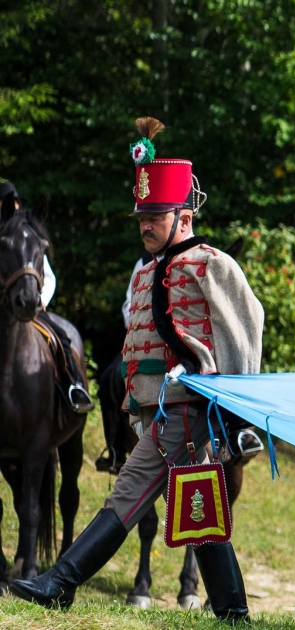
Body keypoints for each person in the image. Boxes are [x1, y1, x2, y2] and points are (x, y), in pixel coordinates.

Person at [10, 117, 264, 625]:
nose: (144, 224)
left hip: (195, 409)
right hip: (160, 411)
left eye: (155, 215)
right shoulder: (147, 270)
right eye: (141, 215)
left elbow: (247, 329)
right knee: (203, 515)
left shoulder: (211, 263)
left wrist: (239, 413)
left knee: (131, 492)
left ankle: (61, 581)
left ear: (184, 216)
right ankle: (233, 611)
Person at [0, 179, 92, 413]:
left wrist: (40, 301)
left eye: (11, 204)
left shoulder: (25, 236)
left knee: (61, 336)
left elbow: (48, 276)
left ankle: (74, 387)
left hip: (29, 306)